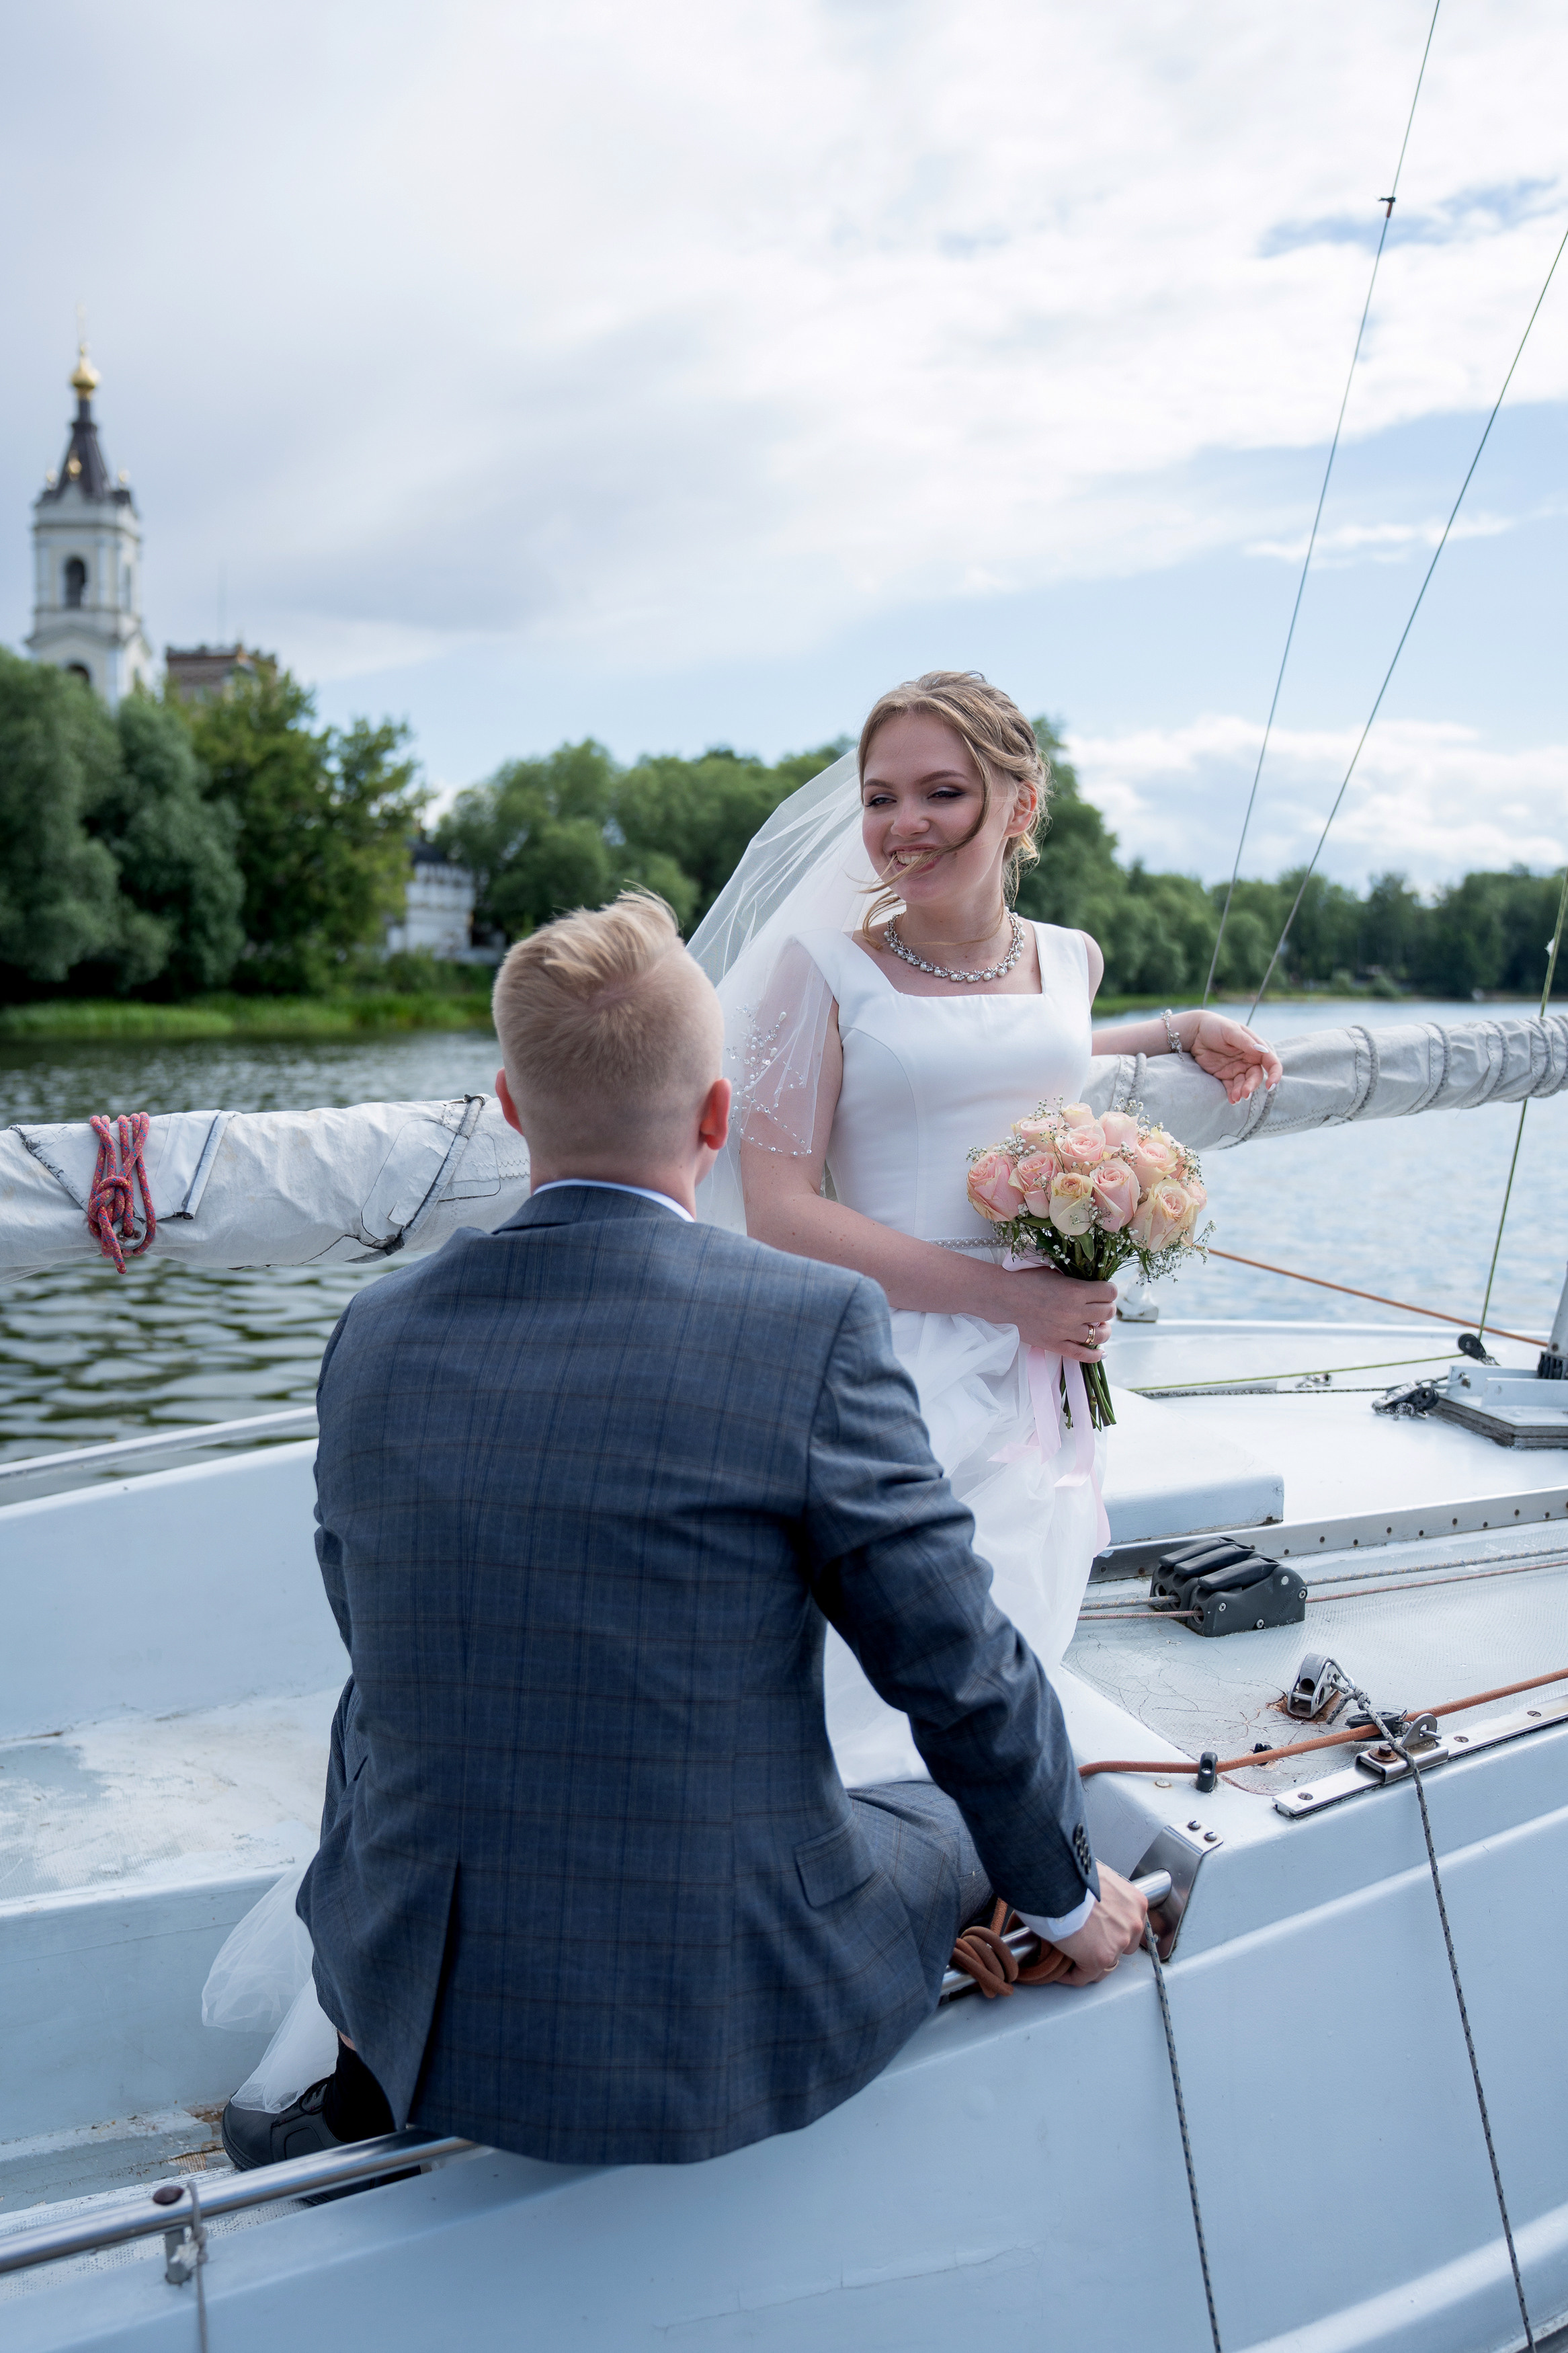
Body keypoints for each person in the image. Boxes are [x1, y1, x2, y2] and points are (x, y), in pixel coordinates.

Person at [221, 889, 1147, 2176]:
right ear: (718, 1119)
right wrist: (1059, 1897)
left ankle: (366, 2059)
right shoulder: (808, 1324)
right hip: (704, 2023)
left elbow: (366, 1636)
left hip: (413, 1992)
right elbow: (959, 1669)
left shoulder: (374, 1333)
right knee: (938, 1803)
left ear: (507, 1105)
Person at [700, 672, 1280, 1785]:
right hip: (889, 1361)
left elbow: (1022, 1044)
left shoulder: (1071, 958)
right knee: (883, 1680)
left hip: (1043, 1367)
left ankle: (991, 1863)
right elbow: (778, 1210)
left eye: (941, 793)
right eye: (880, 799)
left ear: (1018, 805)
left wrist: (1168, 1031)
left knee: (1017, 1626)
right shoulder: (818, 970)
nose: (902, 826)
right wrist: (1007, 1300)